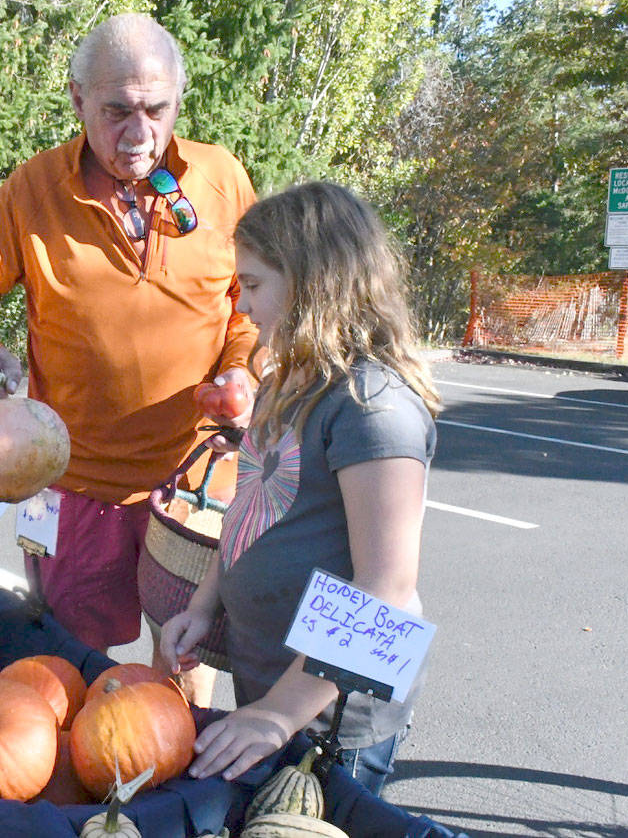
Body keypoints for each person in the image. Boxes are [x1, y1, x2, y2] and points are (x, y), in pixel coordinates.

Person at [0, 13, 259, 667]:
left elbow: (253, 300)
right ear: (77, 99)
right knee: (68, 671)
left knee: (185, 676)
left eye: (156, 110)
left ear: (179, 99)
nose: (139, 134)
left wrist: (243, 368)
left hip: (193, 486)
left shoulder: (223, 179)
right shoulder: (33, 189)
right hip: (69, 485)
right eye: (116, 111)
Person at [158, 181, 441, 796]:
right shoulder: (288, 380)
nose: (242, 304)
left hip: (333, 716)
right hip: (273, 686)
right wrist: (204, 608)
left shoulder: (373, 409)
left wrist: (279, 714)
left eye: (254, 285)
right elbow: (248, 517)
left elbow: (385, 593)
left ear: (314, 283)